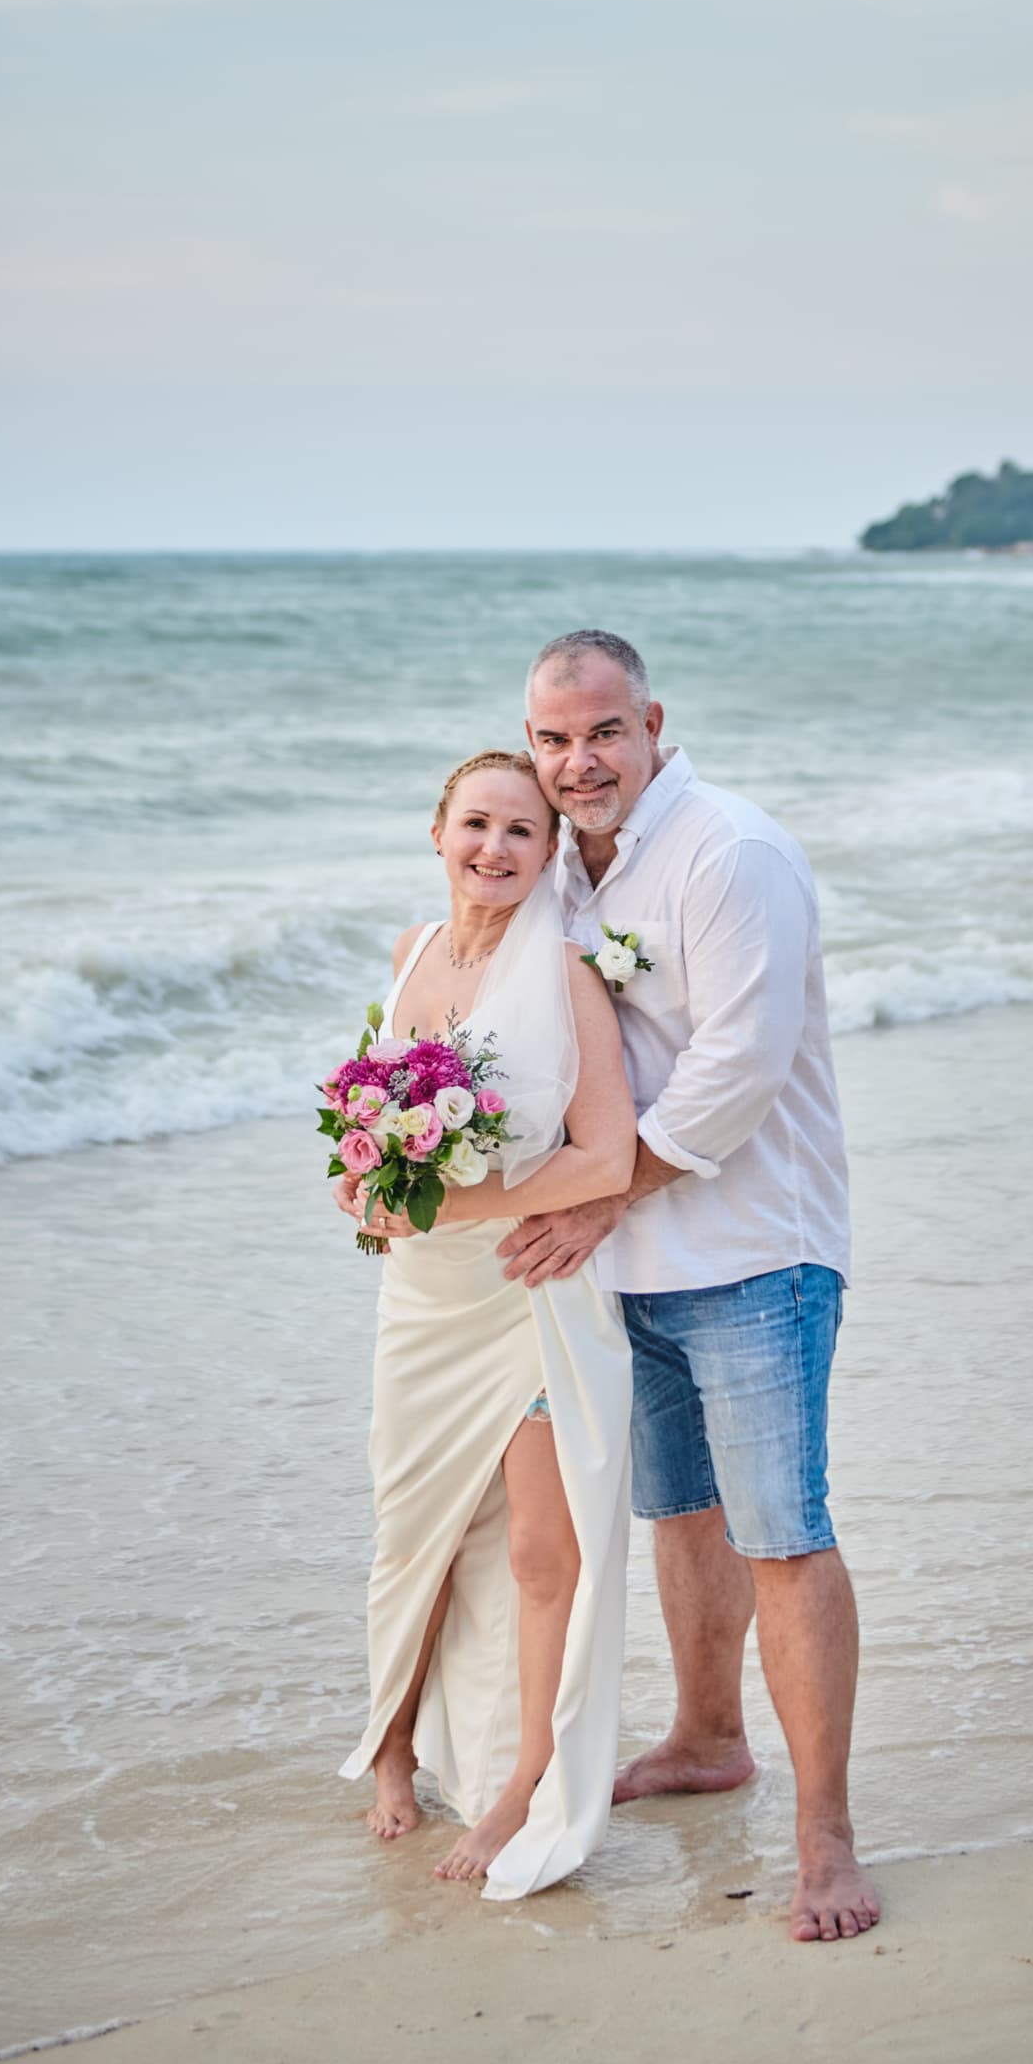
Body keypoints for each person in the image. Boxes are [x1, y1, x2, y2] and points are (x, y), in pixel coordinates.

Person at [500, 630, 882, 1943]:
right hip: (630, 1261)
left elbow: (740, 1064)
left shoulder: (731, 852)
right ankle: (707, 1735)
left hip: (757, 1249)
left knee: (781, 1532)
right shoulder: (560, 873)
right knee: (682, 1516)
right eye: (551, 740)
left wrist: (599, 1196)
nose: (576, 761)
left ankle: (822, 1835)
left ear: (651, 723)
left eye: (600, 732)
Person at [333, 749, 638, 1899]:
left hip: (527, 1291)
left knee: (538, 1550)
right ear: (437, 830)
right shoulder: (407, 952)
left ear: (550, 851)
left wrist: (457, 1201)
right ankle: (394, 1751)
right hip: (419, 1299)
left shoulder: (566, 974)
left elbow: (602, 1156)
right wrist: (360, 1185)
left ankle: (527, 1779)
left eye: (522, 831)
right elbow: (370, 1117)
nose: (495, 849)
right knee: (410, 1532)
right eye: (477, 824)